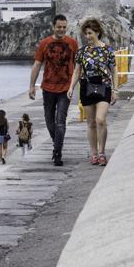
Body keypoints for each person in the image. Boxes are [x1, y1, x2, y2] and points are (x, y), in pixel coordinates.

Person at [29, 14, 78, 166]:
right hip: (48, 88)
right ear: (53, 27)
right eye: (59, 27)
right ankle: (57, 142)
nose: (61, 30)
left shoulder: (73, 43)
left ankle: (57, 152)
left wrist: (75, 85)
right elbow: (37, 65)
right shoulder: (44, 44)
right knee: (49, 121)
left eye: (64, 27)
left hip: (65, 88)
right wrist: (32, 86)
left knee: (60, 122)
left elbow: (78, 67)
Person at [68, 18, 118, 167]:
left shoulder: (107, 50)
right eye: (86, 34)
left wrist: (115, 90)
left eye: (90, 33)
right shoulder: (82, 51)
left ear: (97, 32)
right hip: (87, 87)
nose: (87, 36)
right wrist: (71, 87)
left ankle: (102, 152)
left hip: (104, 87)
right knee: (90, 123)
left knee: (100, 120)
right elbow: (77, 71)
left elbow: (114, 71)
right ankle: (93, 153)